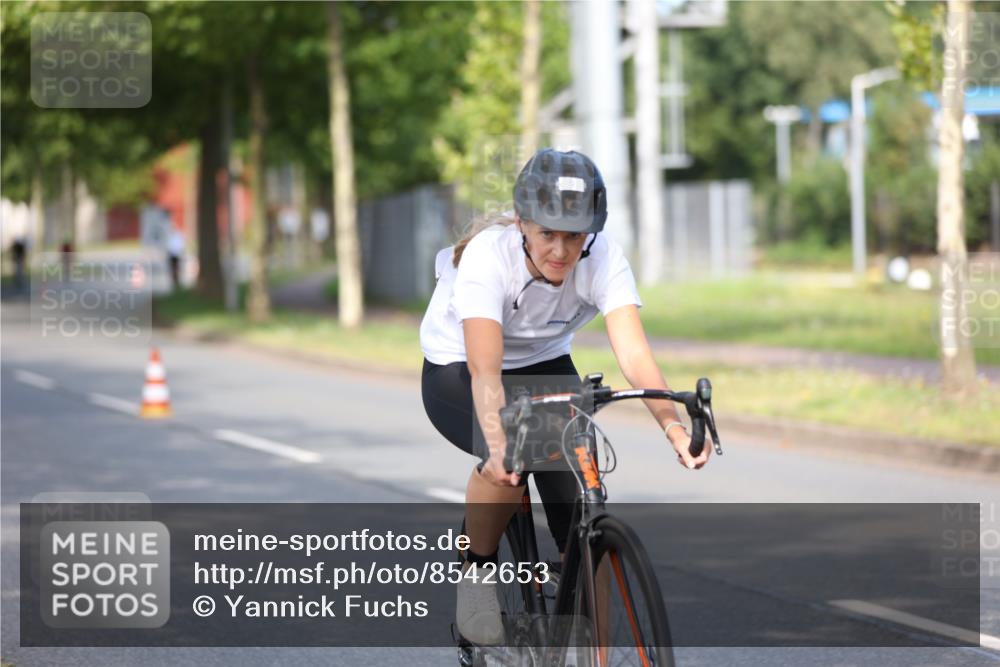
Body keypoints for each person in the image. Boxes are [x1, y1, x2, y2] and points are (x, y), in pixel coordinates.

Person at [420, 148, 712, 646]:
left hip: (545, 361)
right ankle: (477, 572)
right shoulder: (491, 257)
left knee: (582, 512)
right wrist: (496, 440)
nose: (560, 250)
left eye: (573, 236)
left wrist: (673, 426)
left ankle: (585, 640)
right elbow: (486, 371)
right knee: (509, 455)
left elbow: (635, 354)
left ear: (590, 233)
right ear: (522, 225)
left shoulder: (603, 257)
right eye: (547, 234)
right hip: (459, 367)